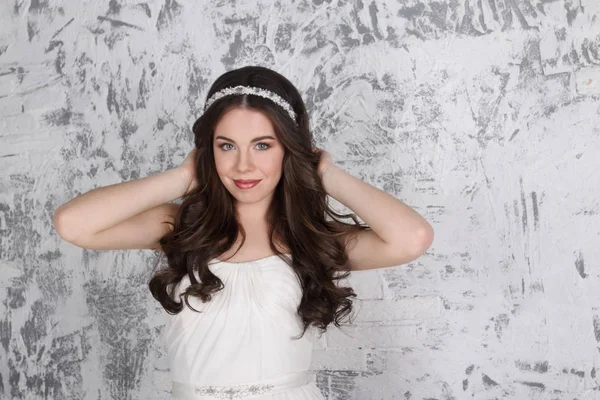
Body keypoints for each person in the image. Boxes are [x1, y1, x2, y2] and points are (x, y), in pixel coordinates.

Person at [54, 65, 434, 399]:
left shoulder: (310, 238)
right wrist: (182, 176)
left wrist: (325, 174)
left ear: (289, 149)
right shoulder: (180, 226)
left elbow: (412, 237)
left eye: (263, 145)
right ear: (209, 150)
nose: (243, 165)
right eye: (226, 146)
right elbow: (73, 224)